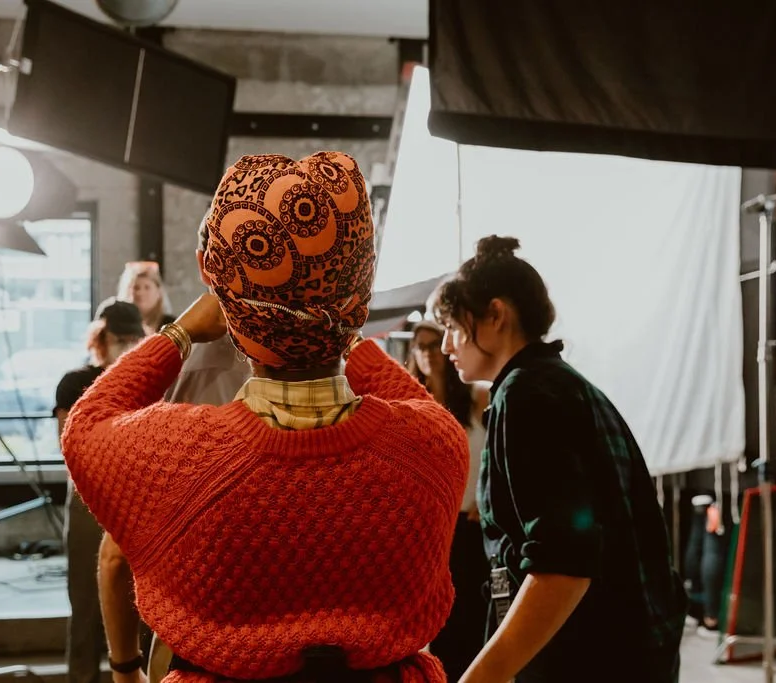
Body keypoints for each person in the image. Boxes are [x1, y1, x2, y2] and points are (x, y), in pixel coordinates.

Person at [63, 151, 469, 683]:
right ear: (360, 285)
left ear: (220, 292)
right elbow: (420, 405)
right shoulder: (435, 445)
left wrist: (178, 333)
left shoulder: (178, 458)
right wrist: (336, 321)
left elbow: (89, 421)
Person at [432, 235, 686, 683]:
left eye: (452, 326)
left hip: (591, 659)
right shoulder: (561, 384)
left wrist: (480, 678)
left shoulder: (527, 395)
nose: (446, 347)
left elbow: (563, 564)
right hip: (625, 650)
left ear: (496, 315)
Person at [97, 217, 252, 683]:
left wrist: (124, 667)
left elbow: (115, 557)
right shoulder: (327, 370)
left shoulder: (178, 366)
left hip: (194, 635)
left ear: (205, 265)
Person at [55, 298, 147, 683]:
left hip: (140, 500)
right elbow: (70, 448)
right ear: (100, 340)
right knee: (86, 605)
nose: (126, 348)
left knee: (143, 605)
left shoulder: (151, 382)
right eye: (119, 340)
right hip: (89, 497)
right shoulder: (75, 383)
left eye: (133, 340)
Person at [408, 317, 492, 682]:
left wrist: (487, 499)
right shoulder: (411, 401)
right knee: (438, 619)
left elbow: (498, 448)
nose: (428, 353)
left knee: (472, 611)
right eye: (420, 346)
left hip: (470, 521)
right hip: (432, 529)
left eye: (433, 344)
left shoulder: (476, 397)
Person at [118, 261, 174, 334]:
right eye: (136, 288)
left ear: (158, 292)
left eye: (147, 288)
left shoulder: (171, 325)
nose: (140, 293)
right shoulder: (118, 324)